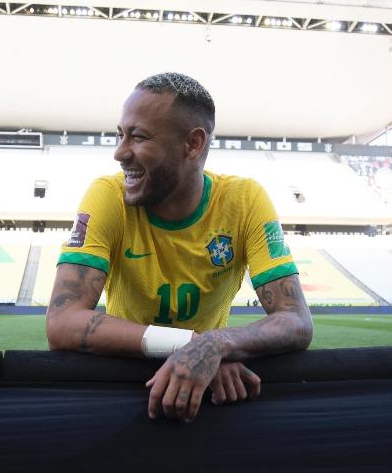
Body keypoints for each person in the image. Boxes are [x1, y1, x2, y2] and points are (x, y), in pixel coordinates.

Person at [46, 72, 313, 422]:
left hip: (205, 393)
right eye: (120, 134)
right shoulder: (108, 195)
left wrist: (216, 345)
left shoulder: (245, 200)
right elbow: (62, 321)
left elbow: (296, 320)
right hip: (125, 387)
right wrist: (195, 344)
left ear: (192, 144)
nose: (119, 152)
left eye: (138, 136)